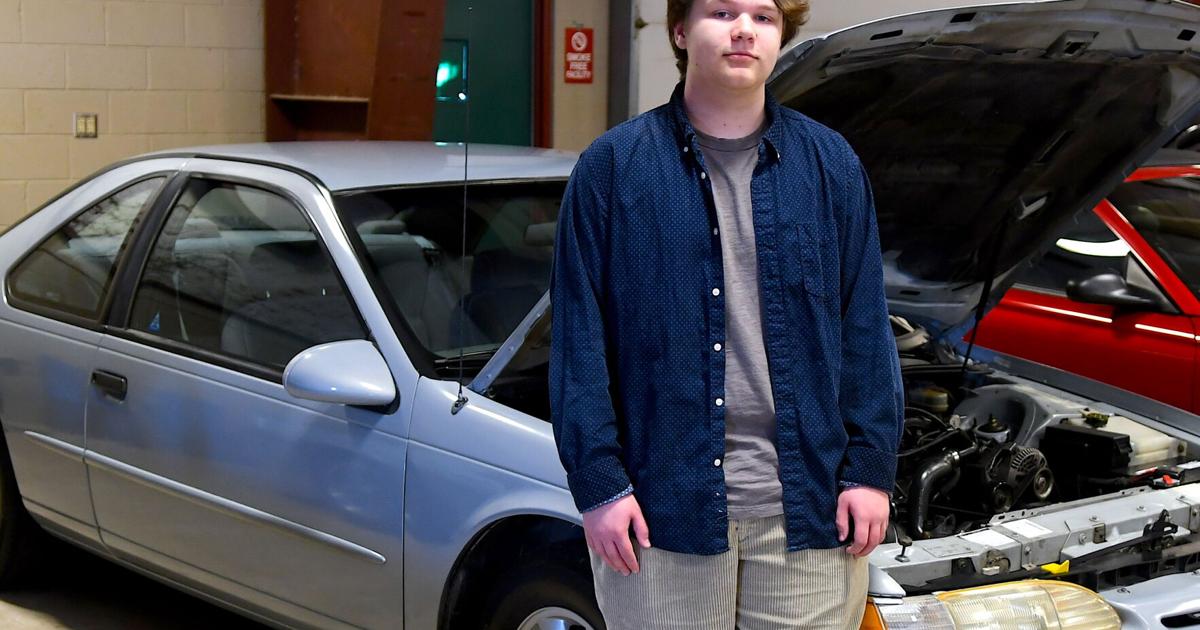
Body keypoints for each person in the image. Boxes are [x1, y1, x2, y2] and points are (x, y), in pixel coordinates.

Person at [548, 0, 904, 627]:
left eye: (763, 17)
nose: (744, 29)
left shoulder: (831, 165)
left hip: (808, 511)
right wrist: (600, 484)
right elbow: (580, 340)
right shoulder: (612, 169)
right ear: (681, 31)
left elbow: (865, 329)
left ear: (781, 38)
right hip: (660, 514)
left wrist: (871, 471)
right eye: (722, 11)